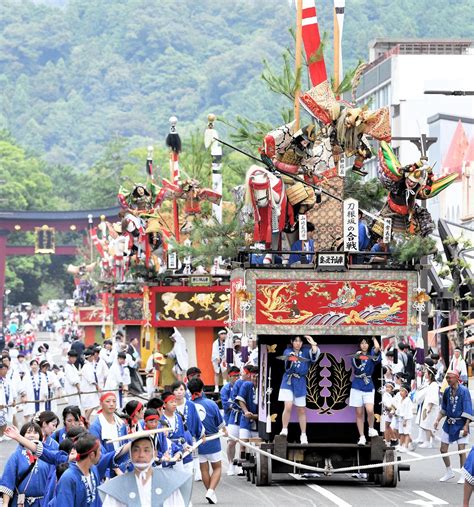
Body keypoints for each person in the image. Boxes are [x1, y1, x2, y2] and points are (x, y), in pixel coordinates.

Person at [98, 435, 193, 507]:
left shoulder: (170, 485)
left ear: (155, 453)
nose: (141, 455)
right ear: (130, 454)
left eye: (146, 450)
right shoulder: (117, 487)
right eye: (136, 450)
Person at [188, 377, 226, 505]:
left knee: (204, 469)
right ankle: (210, 491)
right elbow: (220, 424)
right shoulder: (211, 404)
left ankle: (210, 492)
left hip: (198, 442)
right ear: (202, 388)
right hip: (212, 439)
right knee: (217, 467)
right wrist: (225, 431)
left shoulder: (188, 405)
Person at [278, 335, 320, 444]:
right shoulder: (288, 350)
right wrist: (291, 356)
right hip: (288, 380)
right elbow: (288, 356)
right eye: (296, 341)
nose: (298, 343)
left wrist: (312, 343)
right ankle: (284, 429)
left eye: (300, 341)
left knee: (301, 410)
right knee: (288, 406)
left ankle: (303, 434)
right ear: (292, 342)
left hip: (300, 382)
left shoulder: (306, 351)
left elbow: (314, 355)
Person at [434, 369, 473, 483]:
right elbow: (444, 409)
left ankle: (463, 474)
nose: (448, 380)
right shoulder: (447, 391)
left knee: (461, 451)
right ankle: (449, 471)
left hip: (461, 424)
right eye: (447, 378)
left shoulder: (464, 391)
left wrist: (466, 426)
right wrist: (437, 420)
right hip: (449, 423)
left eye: (450, 377)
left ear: (456, 378)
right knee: (443, 449)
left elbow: (468, 409)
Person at [0, 422, 51, 507]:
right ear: (22, 436)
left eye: (35, 433)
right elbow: (8, 480)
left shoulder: (46, 455)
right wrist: (5, 504)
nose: (32, 435)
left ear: (40, 436)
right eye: (28, 432)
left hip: (43, 502)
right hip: (21, 503)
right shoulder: (16, 456)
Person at [349, 337, 382, 445]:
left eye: (366, 343)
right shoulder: (356, 355)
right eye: (362, 343)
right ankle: (362, 437)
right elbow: (356, 366)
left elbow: (377, 347)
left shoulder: (371, 354)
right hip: (357, 384)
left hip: (368, 384)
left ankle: (371, 428)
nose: (364, 345)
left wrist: (373, 338)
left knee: (370, 410)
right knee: (359, 413)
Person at [419, 367, 440, 448]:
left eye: (426, 372)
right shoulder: (429, 383)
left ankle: (428, 441)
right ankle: (434, 438)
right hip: (426, 405)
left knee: (427, 425)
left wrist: (429, 407)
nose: (425, 374)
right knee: (425, 424)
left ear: (430, 375)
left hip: (431, 407)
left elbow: (433, 397)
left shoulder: (434, 385)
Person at [80, 348, 101, 421]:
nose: (93, 358)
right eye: (92, 356)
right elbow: (91, 379)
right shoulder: (86, 366)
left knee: (89, 406)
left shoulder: (90, 365)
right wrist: (97, 386)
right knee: (92, 405)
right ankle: (84, 420)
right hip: (88, 389)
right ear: (88, 357)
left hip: (90, 389)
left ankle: (87, 421)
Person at [0, 360, 17, 440]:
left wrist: (14, 400)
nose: (5, 371)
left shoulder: (7, 380)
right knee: (1, 420)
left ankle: (3, 435)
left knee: (6, 419)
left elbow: (13, 390)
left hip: (7, 403)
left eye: (6, 369)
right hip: (1, 404)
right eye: (3, 369)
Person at [396, 384, 414, 453]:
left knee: (406, 433)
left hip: (406, 419)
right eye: (400, 391)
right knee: (401, 433)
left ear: (406, 393)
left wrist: (405, 420)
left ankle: (406, 447)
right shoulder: (401, 399)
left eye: (402, 391)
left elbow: (408, 411)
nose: (401, 392)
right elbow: (399, 409)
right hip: (400, 418)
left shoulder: (408, 400)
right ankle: (401, 445)